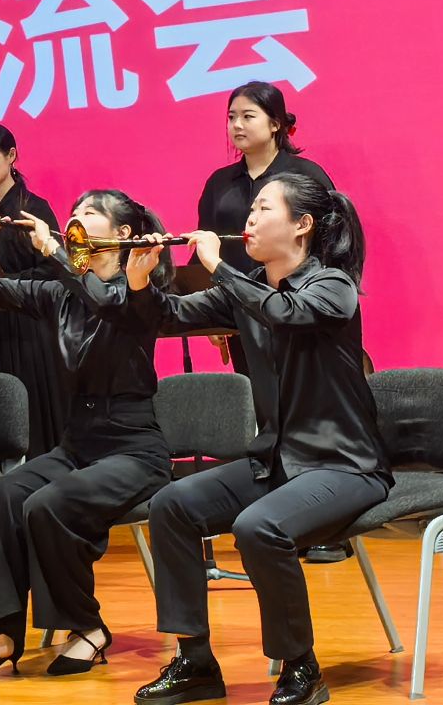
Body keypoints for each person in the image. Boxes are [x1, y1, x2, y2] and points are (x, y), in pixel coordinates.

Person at [135, 174, 390, 705]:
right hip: (276, 460)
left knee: (258, 527)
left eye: (263, 209)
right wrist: (139, 282)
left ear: (302, 225)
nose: (249, 219)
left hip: (344, 465)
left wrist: (219, 268)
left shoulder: (333, 286)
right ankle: (195, 662)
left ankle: (301, 667)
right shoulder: (245, 288)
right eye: (250, 209)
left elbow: (286, 313)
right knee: (171, 505)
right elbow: (166, 317)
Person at [0, 191, 173, 683]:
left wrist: (53, 252)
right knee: (5, 494)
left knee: (49, 503)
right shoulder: (60, 293)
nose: (74, 217)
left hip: (134, 448)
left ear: (122, 234)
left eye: (90, 212)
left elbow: (106, 303)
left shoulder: (139, 295)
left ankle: (86, 627)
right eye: (74, 210)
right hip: (78, 442)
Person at [194, 83, 333, 362]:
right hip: (240, 310)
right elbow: (204, 250)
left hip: (299, 308)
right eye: (231, 117)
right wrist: (208, 312)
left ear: (275, 124)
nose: (237, 125)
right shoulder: (219, 183)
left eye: (248, 116)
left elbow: (332, 243)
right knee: (252, 386)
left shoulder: (305, 176)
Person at [0, 123, 68, 456]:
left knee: (35, 404)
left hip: (33, 322)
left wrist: (8, 285)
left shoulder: (35, 208)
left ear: (11, 156)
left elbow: (55, 268)